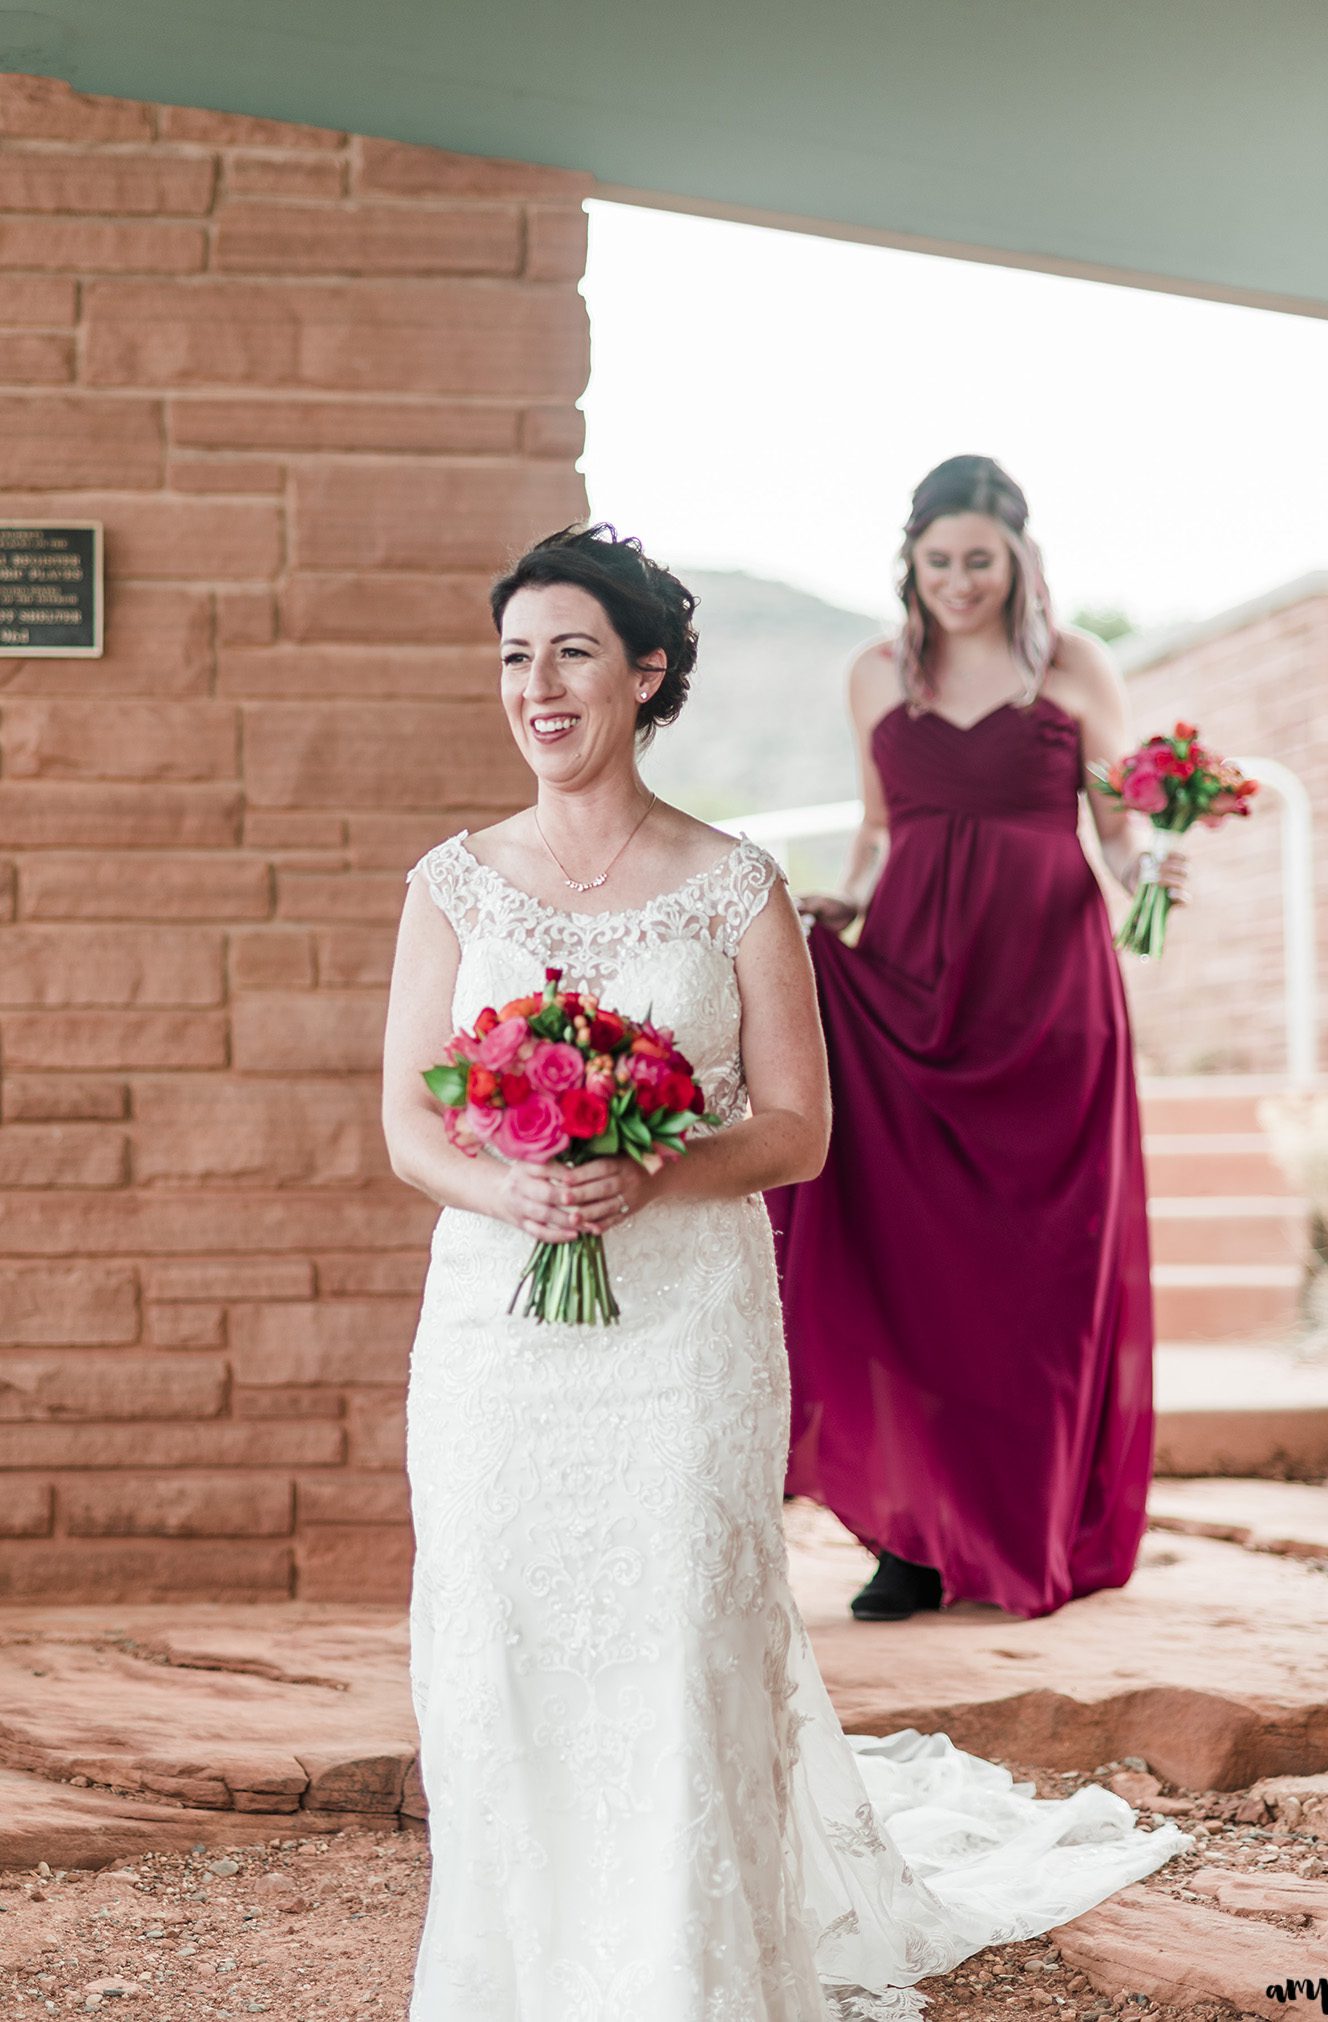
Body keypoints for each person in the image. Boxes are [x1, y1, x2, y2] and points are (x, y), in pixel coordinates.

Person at [382, 522, 1185, 2021]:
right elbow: (405, 1124)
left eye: (570, 651)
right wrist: (509, 1178)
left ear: (648, 671)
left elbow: (800, 1131)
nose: (536, 685)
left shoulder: (734, 881)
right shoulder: (453, 883)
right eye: (512, 655)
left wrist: (650, 1166)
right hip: (496, 1332)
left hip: (682, 1330)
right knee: (498, 1643)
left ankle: (684, 1973)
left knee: (678, 1638)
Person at [775, 454, 1188, 1625]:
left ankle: (1031, 1521)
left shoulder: (1073, 665)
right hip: (912, 984)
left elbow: (1115, 822)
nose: (958, 581)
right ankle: (909, 1539)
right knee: (916, 1258)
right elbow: (873, 829)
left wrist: (1151, 870)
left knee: (1045, 1269)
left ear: (1019, 559)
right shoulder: (872, 673)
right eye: (939, 560)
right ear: (911, 561)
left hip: (1051, 991)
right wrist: (841, 906)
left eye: (980, 560)